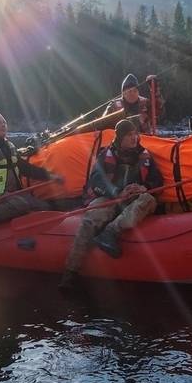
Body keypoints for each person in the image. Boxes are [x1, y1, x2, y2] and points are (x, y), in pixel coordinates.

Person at [59, 119, 163, 290]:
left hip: (134, 198)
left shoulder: (145, 155)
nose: (134, 138)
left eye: (135, 134)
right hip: (110, 196)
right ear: (120, 137)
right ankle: (70, 272)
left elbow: (157, 181)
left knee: (149, 200)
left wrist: (145, 187)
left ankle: (111, 231)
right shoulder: (106, 154)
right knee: (89, 221)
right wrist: (116, 192)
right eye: (129, 135)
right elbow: (96, 180)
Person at [0, 112, 62, 247]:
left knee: (44, 206)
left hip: (9, 195)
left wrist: (50, 176)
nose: (3, 124)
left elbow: (25, 168)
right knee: (21, 204)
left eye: (4, 122)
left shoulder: (8, 146)